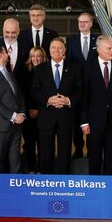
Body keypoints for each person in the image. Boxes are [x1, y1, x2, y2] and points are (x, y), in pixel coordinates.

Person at [80, 36, 112, 175]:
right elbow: (84, 97)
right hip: (94, 121)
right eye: (109, 48)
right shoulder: (87, 68)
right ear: (99, 50)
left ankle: (110, 185)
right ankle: (95, 185)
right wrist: (84, 121)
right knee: (94, 156)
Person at [32, 38, 82, 175]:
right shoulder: (40, 69)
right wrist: (48, 100)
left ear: (65, 50)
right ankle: (46, 180)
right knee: (45, 153)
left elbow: (80, 91)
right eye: (53, 47)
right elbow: (35, 91)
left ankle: (63, 180)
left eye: (60, 48)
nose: (56, 50)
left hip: (66, 117)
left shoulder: (75, 68)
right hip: (46, 116)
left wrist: (67, 100)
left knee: (65, 153)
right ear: (49, 50)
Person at [0, 43, 26, 173]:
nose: (8, 55)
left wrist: (22, 114)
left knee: (15, 162)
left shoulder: (10, 74)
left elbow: (19, 96)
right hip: (0, 127)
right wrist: (14, 116)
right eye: (6, 52)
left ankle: (15, 185)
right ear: (1, 55)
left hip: (16, 126)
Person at [65, 12, 98, 159]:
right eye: (80, 22)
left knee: (93, 118)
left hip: (94, 86)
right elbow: (69, 63)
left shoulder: (98, 40)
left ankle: (92, 149)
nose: (82, 24)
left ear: (91, 23)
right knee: (77, 119)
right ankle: (78, 149)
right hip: (77, 86)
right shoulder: (71, 40)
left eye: (85, 22)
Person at [15, 46, 46, 173]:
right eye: (33, 56)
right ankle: (31, 169)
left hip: (43, 113)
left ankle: (42, 169)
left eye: (39, 56)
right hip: (27, 113)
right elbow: (21, 94)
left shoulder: (48, 71)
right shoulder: (23, 71)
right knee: (29, 143)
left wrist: (39, 110)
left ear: (43, 57)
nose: (36, 58)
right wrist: (28, 110)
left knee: (43, 144)